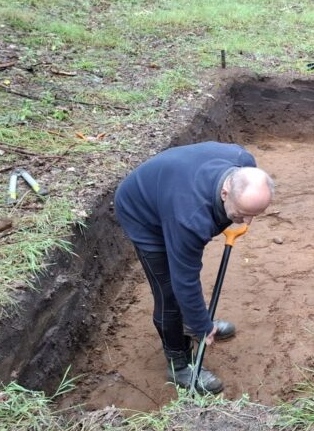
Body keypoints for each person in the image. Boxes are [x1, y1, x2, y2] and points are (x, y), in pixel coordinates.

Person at [114, 142, 274, 393]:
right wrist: (203, 325)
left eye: (256, 213)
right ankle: (178, 365)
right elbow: (184, 280)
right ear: (225, 193)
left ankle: (194, 321)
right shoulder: (190, 219)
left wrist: (234, 214)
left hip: (171, 190)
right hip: (142, 212)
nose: (247, 221)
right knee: (168, 291)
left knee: (182, 288)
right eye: (242, 213)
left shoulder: (244, 162)